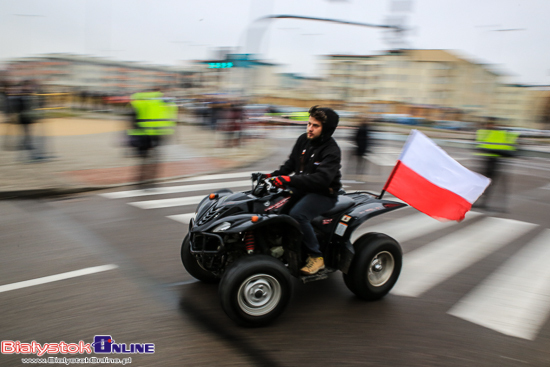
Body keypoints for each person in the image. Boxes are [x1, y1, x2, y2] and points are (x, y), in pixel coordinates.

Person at [258, 105, 342, 275]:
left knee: (298, 214)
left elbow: (321, 180)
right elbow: (290, 165)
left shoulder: (332, 151)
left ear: (327, 129)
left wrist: (288, 179)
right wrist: (271, 176)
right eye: (309, 124)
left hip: (324, 194)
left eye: (315, 126)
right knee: (271, 206)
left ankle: (316, 257)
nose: (310, 128)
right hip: (301, 188)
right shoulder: (303, 139)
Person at [128, 89, 177, 188]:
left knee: (144, 159)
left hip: (142, 136)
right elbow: (169, 118)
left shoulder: (139, 102)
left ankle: (141, 180)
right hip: (157, 136)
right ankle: (150, 181)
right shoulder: (162, 103)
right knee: (154, 160)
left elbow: (132, 121)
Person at [474, 117, 519, 211]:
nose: (489, 125)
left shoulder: (502, 134)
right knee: (482, 183)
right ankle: (479, 202)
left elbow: (512, 150)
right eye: (488, 124)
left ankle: (488, 203)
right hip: (486, 161)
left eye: (491, 124)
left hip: (496, 162)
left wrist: (495, 151)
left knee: (491, 184)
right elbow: (478, 146)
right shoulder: (483, 133)